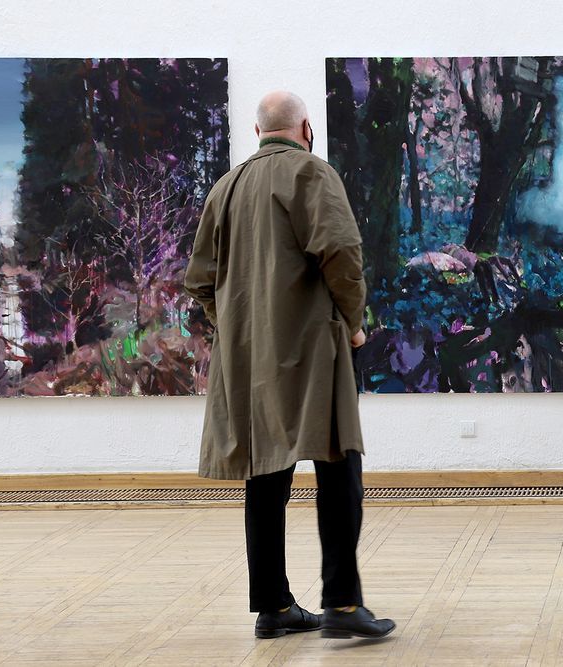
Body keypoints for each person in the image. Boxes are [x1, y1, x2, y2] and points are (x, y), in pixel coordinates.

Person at [184, 91, 395, 641]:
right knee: (339, 468)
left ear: (257, 133)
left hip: (249, 360)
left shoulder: (226, 188)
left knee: (265, 476)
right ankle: (342, 604)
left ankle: (274, 607)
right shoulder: (312, 173)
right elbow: (342, 253)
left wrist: (236, 327)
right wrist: (353, 322)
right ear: (306, 128)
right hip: (314, 350)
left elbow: (200, 280)